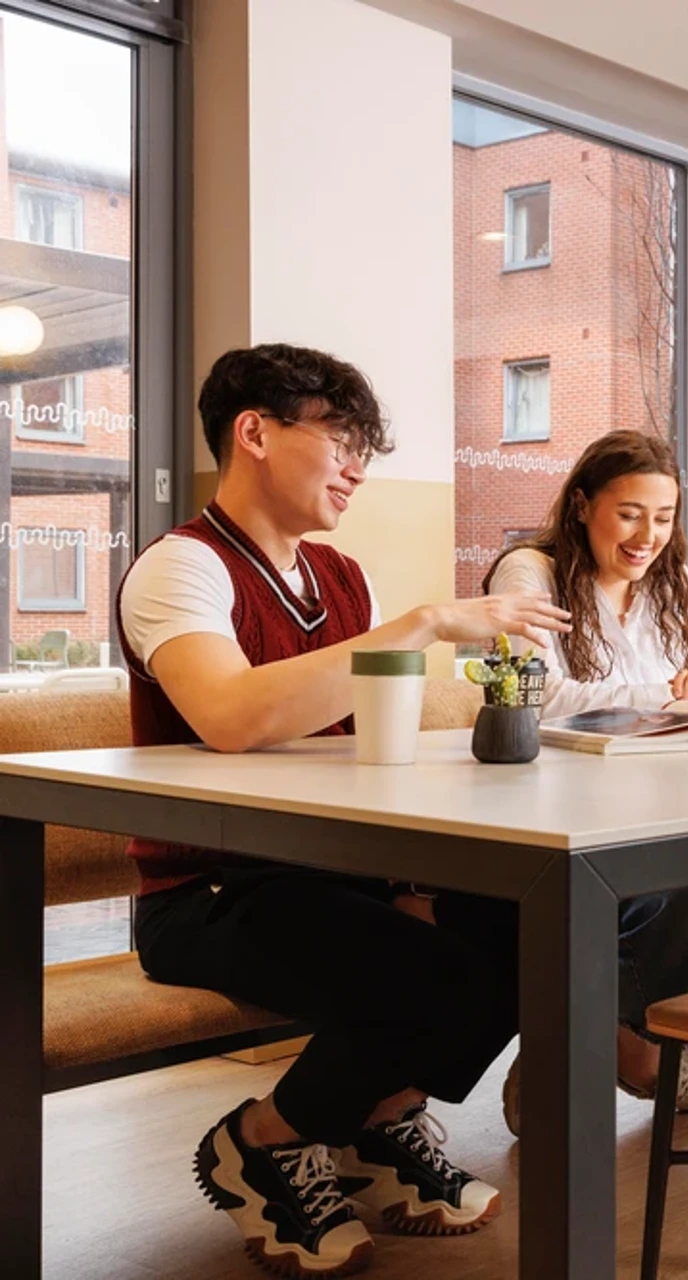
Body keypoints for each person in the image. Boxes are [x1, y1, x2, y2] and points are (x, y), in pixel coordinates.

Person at [116, 344, 570, 1278]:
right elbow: (232, 715)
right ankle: (264, 1141)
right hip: (211, 889)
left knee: (529, 932)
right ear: (254, 433)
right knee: (433, 978)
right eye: (341, 439)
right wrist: (422, 627)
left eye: (366, 445)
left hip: (333, 876)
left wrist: (408, 882)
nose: (358, 466)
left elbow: (363, 758)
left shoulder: (338, 577)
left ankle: (378, 1119)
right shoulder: (180, 569)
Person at [483, 431, 688, 1125]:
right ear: (581, 505)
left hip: (661, 816)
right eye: (630, 513)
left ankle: (595, 1038)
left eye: (663, 518)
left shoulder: (672, 583)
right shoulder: (530, 574)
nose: (648, 536)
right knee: (683, 910)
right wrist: (669, 692)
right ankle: (631, 1049)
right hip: (564, 823)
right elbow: (533, 696)